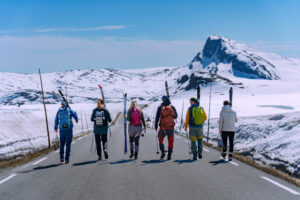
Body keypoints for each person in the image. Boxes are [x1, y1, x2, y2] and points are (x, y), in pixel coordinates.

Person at [155, 96, 178, 160]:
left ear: (162, 100)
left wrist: (156, 126)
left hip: (163, 128)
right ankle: (169, 155)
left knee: (160, 139)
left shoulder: (160, 107)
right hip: (170, 128)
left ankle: (162, 153)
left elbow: (157, 117)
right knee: (171, 141)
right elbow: (176, 116)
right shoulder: (172, 106)